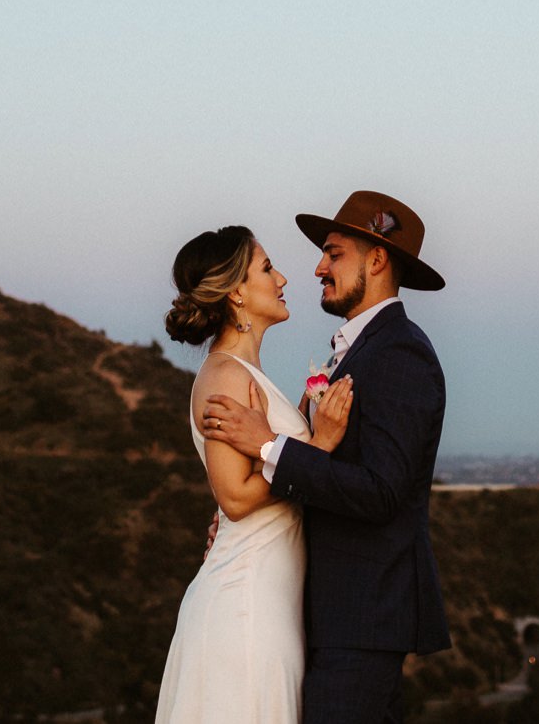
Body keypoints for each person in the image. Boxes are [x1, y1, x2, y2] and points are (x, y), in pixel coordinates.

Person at [203, 191, 450, 724]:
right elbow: (331, 476)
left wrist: (270, 447)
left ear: (377, 259)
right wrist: (241, 523)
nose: (317, 267)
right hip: (330, 616)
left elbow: (382, 491)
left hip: (362, 617)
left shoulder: (399, 352)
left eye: (334, 253)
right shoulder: (361, 351)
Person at [154, 225, 354, 724]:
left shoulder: (248, 375)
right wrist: (319, 444)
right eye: (267, 268)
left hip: (269, 599)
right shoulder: (224, 376)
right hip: (244, 606)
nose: (283, 277)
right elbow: (237, 499)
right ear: (237, 291)